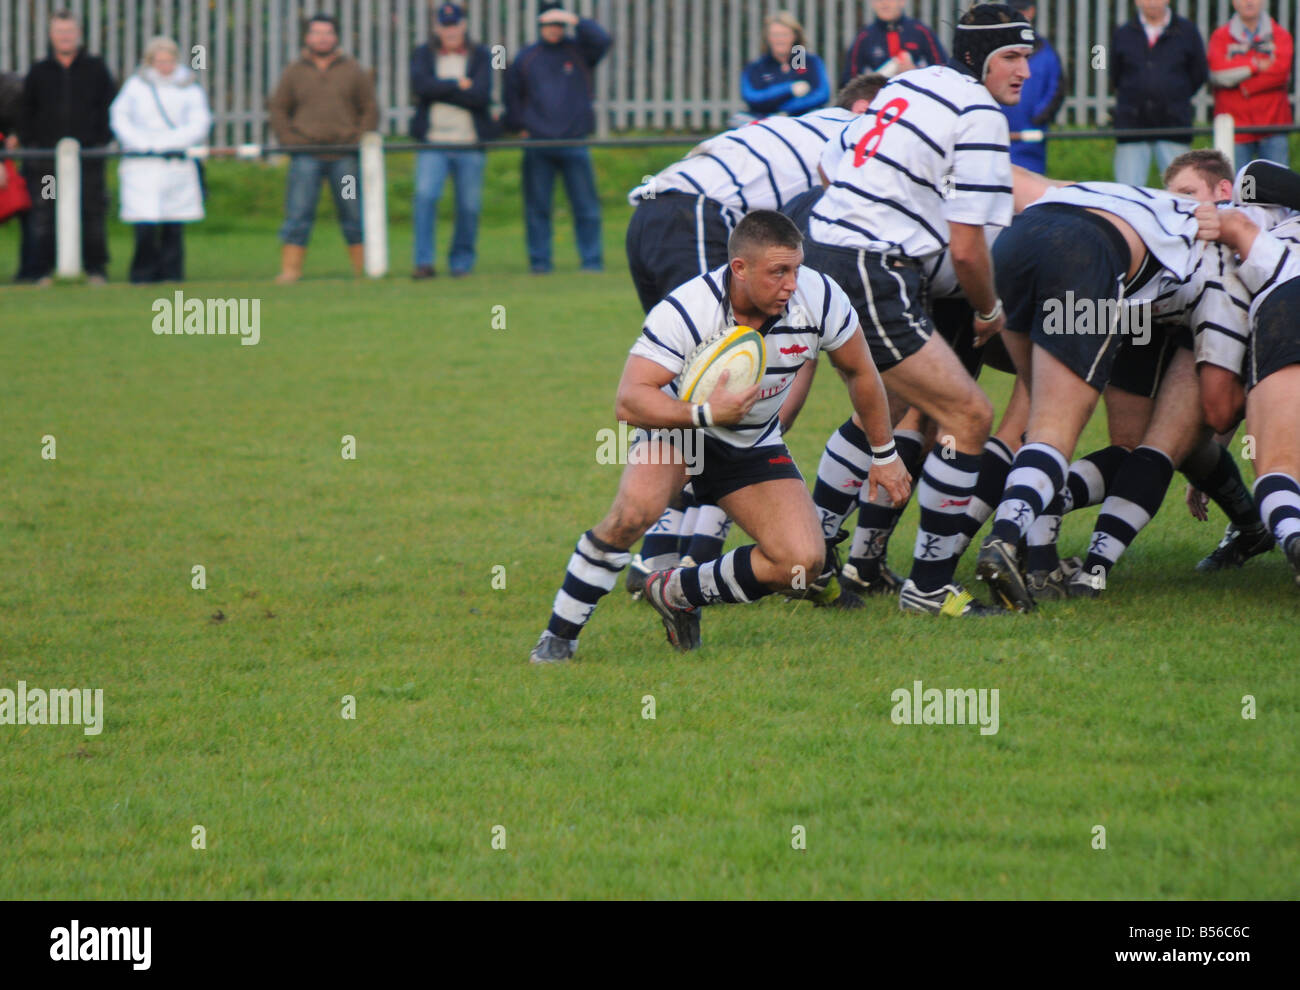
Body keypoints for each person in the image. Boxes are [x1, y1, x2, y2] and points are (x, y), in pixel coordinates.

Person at [527, 210, 910, 663]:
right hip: (679, 430)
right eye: (777, 272)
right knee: (634, 514)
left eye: (796, 268)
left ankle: (676, 592)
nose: (791, 283)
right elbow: (629, 402)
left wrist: (884, 454)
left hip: (752, 441)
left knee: (802, 565)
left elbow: (860, 371)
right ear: (740, 269)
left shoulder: (819, 296)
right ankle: (559, 635)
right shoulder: (689, 308)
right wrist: (705, 412)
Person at [805, 3, 1033, 618]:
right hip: (871, 269)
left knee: (903, 406)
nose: (1023, 72)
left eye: (1027, 58)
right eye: (1010, 57)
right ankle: (927, 589)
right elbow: (967, 249)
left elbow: (831, 165)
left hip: (829, 251)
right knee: (969, 413)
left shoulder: (911, 81)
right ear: (977, 58)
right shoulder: (981, 112)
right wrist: (988, 310)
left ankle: (831, 559)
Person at [620, 75, 881, 603]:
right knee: (729, 385)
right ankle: (677, 558)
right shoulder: (860, 131)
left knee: (695, 383)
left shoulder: (800, 128)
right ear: (863, 107)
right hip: (696, 211)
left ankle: (666, 552)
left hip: (655, 211)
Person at [267, 12, 378, 283]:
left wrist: (357, 138)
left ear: (336, 36)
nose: (322, 38)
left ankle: (361, 270)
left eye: (327, 33)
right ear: (307, 37)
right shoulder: (294, 71)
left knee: (353, 211)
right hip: (305, 156)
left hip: (345, 158)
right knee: (299, 211)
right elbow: (278, 109)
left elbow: (370, 109)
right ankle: (291, 270)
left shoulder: (353, 70)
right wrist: (289, 140)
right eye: (316, 33)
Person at [9, 9, 116, 285]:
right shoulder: (39, 70)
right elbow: (25, 110)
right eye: (60, 32)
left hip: (88, 157)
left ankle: (96, 269)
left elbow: (109, 106)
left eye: (69, 31)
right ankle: (43, 270)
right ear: (51, 36)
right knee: (45, 210)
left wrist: (100, 140)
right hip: (47, 161)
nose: (65, 37)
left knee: (91, 210)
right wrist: (33, 142)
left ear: (78, 34)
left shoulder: (95, 68)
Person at [504, 1, 611, 274]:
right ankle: (539, 263)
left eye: (559, 24)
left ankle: (591, 261)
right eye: (549, 23)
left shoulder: (580, 53)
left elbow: (603, 39)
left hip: (574, 141)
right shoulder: (527, 57)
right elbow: (512, 94)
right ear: (540, 25)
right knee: (537, 208)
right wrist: (520, 125)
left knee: (586, 207)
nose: (554, 29)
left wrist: (575, 19)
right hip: (538, 143)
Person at [109, 37, 211, 283]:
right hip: (141, 163)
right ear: (150, 61)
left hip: (175, 163)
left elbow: (200, 121)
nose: (165, 66)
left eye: (169, 60)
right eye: (160, 61)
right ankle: (142, 274)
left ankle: (172, 274)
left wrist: (173, 142)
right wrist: (142, 143)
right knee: (144, 224)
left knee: (173, 225)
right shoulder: (135, 87)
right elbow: (120, 117)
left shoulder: (189, 87)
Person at [409, 3, 494, 279]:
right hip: (433, 142)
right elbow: (421, 87)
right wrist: (458, 83)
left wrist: (439, 88)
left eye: (455, 25)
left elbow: (480, 95)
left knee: (468, 206)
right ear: (437, 28)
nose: (451, 31)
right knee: (425, 198)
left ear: (463, 25)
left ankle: (461, 263)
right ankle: (424, 263)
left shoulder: (481, 55)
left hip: (469, 143)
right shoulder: (423, 53)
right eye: (445, 26)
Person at [1111, 0, 1208, 186]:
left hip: (1174, 123)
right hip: (1132, 125)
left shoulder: (1187, 31)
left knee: (1182, 189)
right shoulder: (1123, 33)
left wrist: (1174, 95)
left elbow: (1199, 73)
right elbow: (1115, 74)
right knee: (1128, 192)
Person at [1208, 0, 1294, 171]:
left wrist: (1242, 83)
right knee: (1235, 189)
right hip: (1235, 127)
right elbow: (1218, 72)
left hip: (1273, 125)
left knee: (1277, 189)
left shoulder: (1280, 35)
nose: (1248, 1)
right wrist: (1254, 65)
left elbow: (1281, 72)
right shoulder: (1220, 36)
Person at [1000, 0, 1064, 175]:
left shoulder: (1046, 52)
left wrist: (1037, 119)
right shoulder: (993, 50)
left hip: (1030, 145)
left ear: (1031, 12)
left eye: (1021, 10)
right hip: (997, 136)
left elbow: (1056, 89)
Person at [741, 12, 829, 119]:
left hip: (804, 121)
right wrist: (789, 89)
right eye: (775, 35)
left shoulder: (810, 61)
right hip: (764, 122)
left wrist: (787, 110)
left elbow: (822, 94)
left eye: (785, 34)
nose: (780, 39)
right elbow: (752, 97)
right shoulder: (756, 67)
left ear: (795, 36)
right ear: (767, 38)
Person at [840, 0, 946, 86]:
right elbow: (849, 82)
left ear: (902, 1)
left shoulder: (920, 31)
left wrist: (915, 72)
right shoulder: (864, 37)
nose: (884, 3)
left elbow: (942, 70)